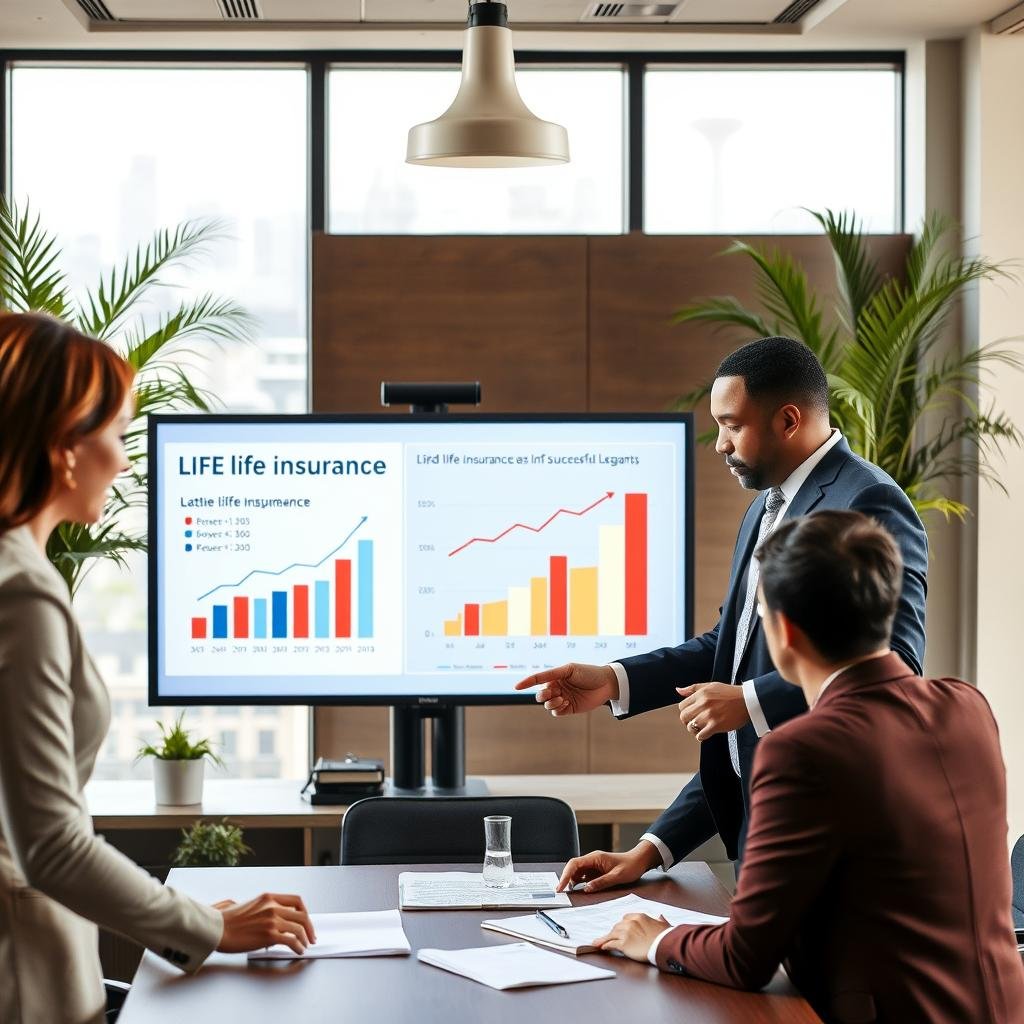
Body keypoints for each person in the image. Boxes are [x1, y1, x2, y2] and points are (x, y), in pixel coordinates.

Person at [516, 336, 928, 886]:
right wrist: (615, 681)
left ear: (788, 420)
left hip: (837, 852)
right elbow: (730, 650)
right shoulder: (766, 506)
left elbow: (896, 666)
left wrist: (751, 700)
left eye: (732, 425)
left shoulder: (866, 500)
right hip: (764, 848)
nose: (720, 445)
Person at [0, 313, 316, 1024]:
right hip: (23, 972)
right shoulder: (21, 591)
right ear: (63, 449)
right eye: (114, 433)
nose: (123, 458)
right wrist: (210, 928)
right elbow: (50, 844)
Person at [591, 510, 1024, 1024]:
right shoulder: (967, 707)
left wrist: (656, 939)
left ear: (784, 633)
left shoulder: (801, 751)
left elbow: (744, 958)